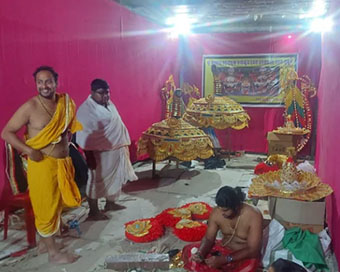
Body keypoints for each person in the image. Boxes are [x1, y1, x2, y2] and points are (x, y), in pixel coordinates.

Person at [1, 66, 82, 264]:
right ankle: (54, 254)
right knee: (45, 206)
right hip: (42, 164)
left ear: (56, 82)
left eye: (48, 81)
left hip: (62, 163)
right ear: (36, 84)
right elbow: (6, 132)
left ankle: (44, 243)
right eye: (40, 82)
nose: (44, 86)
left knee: (57, 205)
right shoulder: (30, 107)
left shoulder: (66, 102)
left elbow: (69, 129)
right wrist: (29, 151)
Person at [76, 79, 138, 220]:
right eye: (101, 93)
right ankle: (93, 211)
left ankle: (110, 203)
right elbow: (84, 136)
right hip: (98, 153)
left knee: (116, 177)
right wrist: (89, 156)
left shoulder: (109, 104)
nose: (105, 96)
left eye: (107, 92)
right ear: (92, 92)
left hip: (115, 149)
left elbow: (116, 124)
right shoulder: (86, 111)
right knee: (96, 180)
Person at [182, 186, 263, 272]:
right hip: (222, 248)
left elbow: (253, 250)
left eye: (226, 210)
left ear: (236, 206)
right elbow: (209, 238)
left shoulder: (253, 215)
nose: (222, 213)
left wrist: (225, 259)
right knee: (189, 251)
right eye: (220, 209)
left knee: (249, 267)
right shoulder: (216, 212)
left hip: (242, 255)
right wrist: (200, 253)